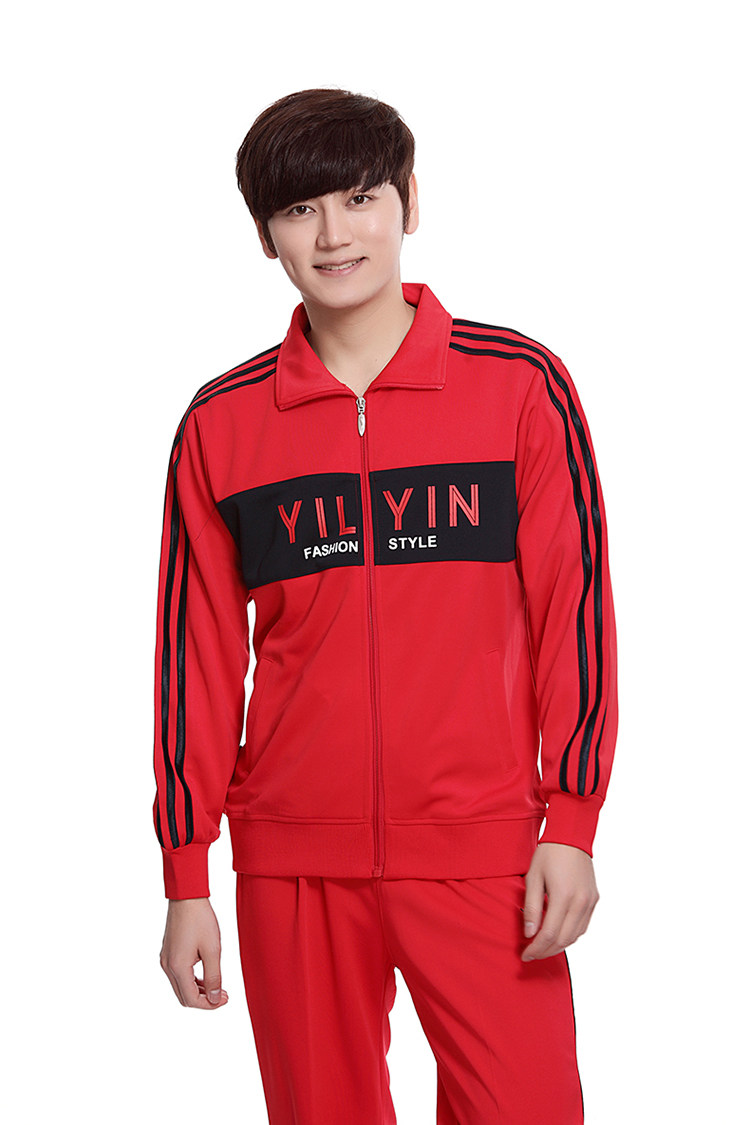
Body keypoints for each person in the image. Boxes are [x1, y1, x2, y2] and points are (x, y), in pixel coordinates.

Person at [153, 87, 618, 1123]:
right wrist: (187, 875)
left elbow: (576, 617)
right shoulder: (223, 426)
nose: (334, 235)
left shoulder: (520, 387)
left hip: (486, 856)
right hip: (291, 863)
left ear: (410, 199)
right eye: (300, 210)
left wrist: (573, 821)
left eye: (360, 197)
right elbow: (192, 664)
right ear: (265, 236)